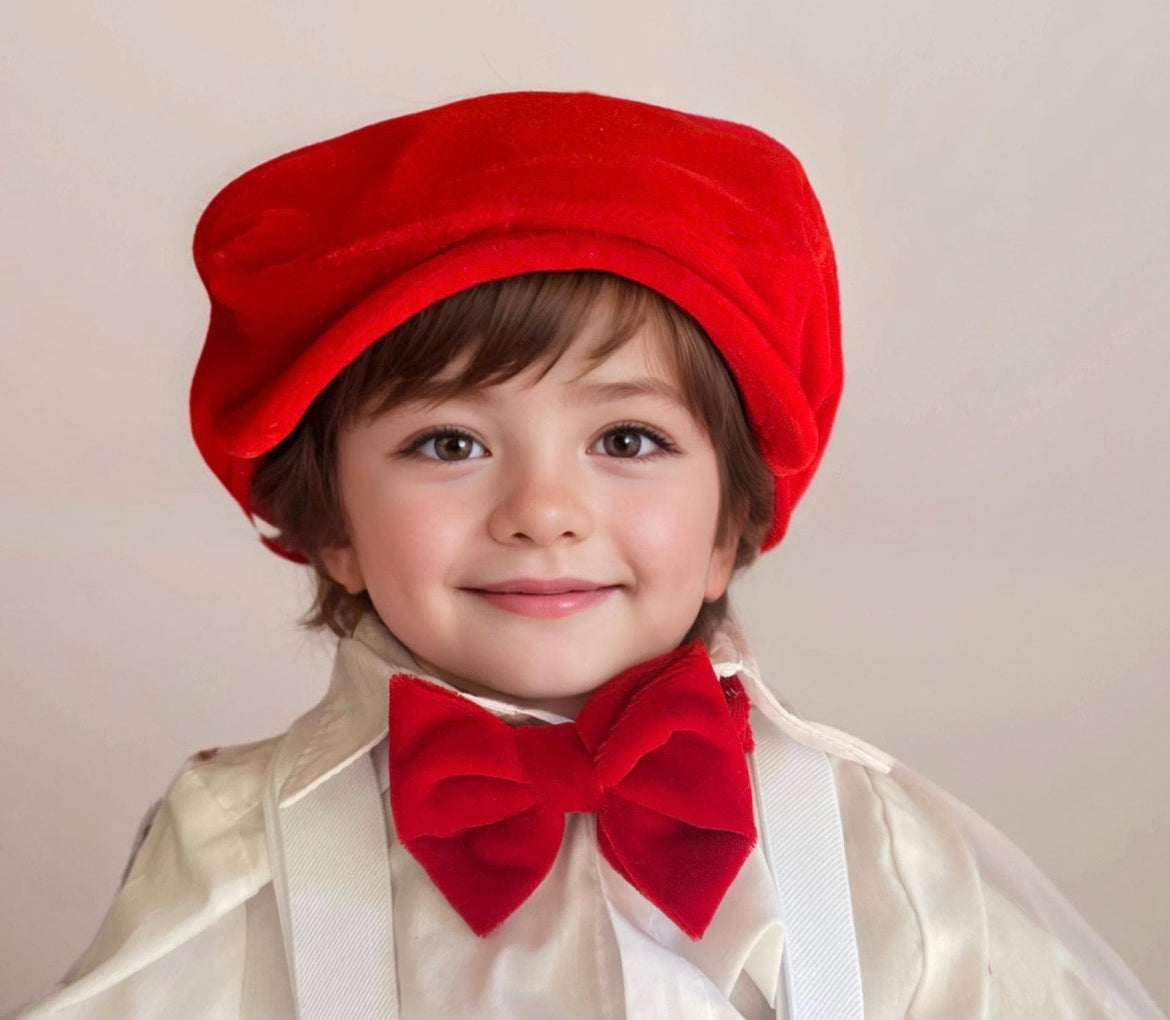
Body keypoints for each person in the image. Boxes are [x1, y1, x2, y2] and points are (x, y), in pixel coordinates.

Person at [7, 90, 1164, 1019]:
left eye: (627, 438)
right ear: (330, 526)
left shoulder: (877, 843)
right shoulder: (232, 853)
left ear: (726, 526)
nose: (543, 511)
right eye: (449, 442)